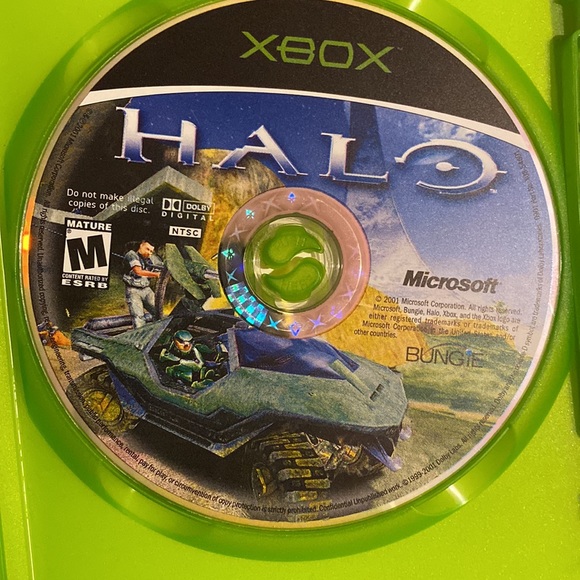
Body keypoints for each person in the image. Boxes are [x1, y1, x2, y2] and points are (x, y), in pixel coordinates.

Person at [123, 240, 162, 328]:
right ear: (141, 245)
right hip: (133, 291)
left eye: (151, 251)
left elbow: (162, 267)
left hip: (146, 289)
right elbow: (138, 271)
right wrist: (156, 274)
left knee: (158, 312)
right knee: (138, 317)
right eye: (147, 249)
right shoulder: (131, 255)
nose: (149, 253)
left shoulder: (152, 258)